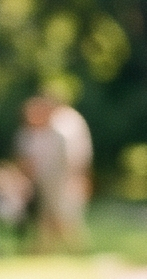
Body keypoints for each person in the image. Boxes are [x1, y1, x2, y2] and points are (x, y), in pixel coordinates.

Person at [15, 93, 93, 251]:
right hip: (41, 180)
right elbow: (25, 159)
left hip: (60, 180)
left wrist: (79, 177)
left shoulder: (62, 130)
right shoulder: (28, 134)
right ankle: (48, 247)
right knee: (45, 216)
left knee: (63, 215)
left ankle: (74, 248)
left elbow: (75, 158)